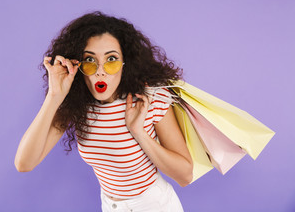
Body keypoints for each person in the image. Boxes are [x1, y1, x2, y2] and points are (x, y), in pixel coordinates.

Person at [14, 11, 193, 212]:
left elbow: (185, 175)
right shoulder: (77, 106)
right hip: (110, 206)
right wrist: (54, 96)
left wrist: (139, 133)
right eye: (90, 60)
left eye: (111, 59)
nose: (100, 70)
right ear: (77, 64)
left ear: (127, 63)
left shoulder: (149, 99)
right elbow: (24, 163)